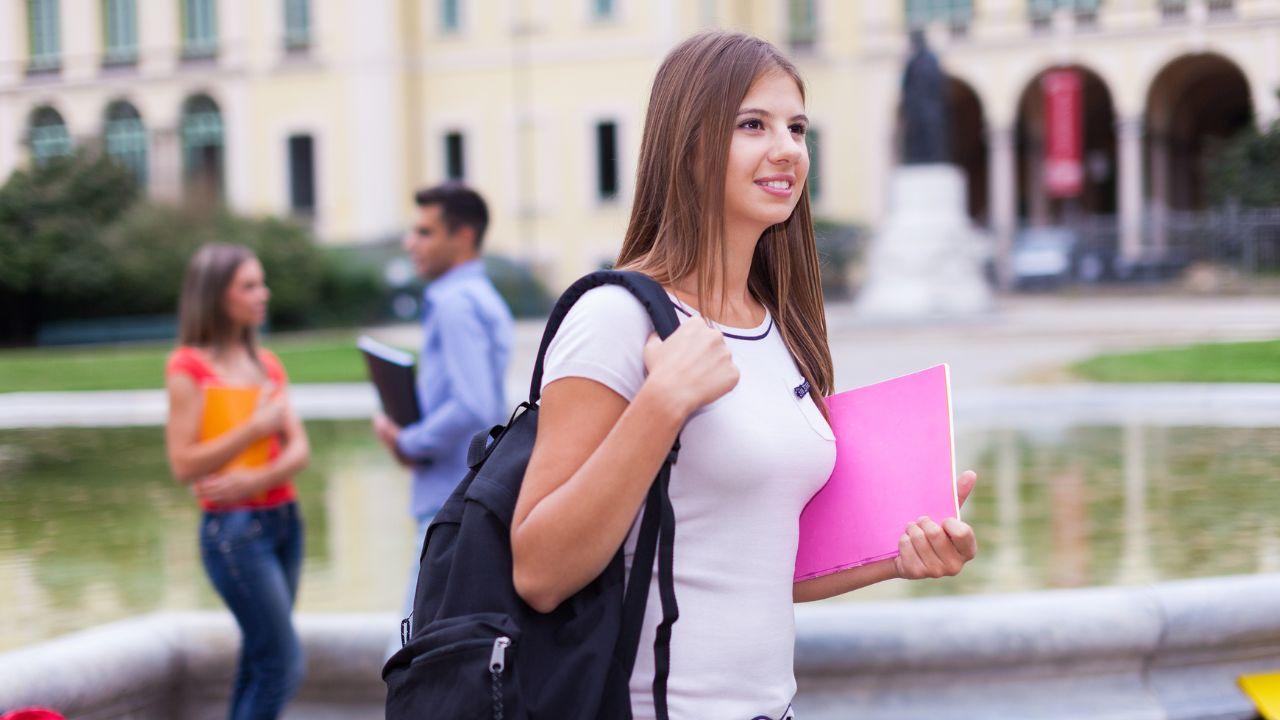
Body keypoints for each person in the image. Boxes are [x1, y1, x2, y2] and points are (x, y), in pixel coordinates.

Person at [509, 31, 980, 719]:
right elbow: (540, 571)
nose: (786, 148)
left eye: (796, 127)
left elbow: (756, 566)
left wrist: (902, 554)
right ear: (690, 146)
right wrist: (661, 405)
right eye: (752, 125)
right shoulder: (616, 318)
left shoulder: (779, 328)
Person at [164, 243, 311, 720]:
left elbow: (300, 451)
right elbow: (184, 464)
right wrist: (253, 428)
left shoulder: (268, 364)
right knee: (284, 662)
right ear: (215, 296)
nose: (262, 294)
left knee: (261, 656)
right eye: (249, 285)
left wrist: (255, 478)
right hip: (234, 534)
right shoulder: (189, 368)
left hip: (285, 520)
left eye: (261, 283)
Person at [372, 183, 514, 632]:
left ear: (464, 236)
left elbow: (474, 405)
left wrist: (408, 440)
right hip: (462, 498)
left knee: (409, 646)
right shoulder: (478, 297)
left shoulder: (455, 304)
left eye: (425, 232)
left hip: (447, 505)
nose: (410, 243)